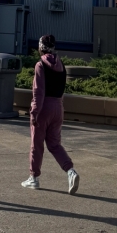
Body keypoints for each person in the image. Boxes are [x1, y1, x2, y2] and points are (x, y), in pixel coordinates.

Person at [21, 34, 79, 194]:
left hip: (44, 108)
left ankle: (34, 178)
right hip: (58, 107)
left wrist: (34, 113)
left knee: (36, 144)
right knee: (54, 144)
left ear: (41, 48)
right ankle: (70, 171)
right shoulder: (61, 65)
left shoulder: (40, 65)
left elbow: (38, 92)